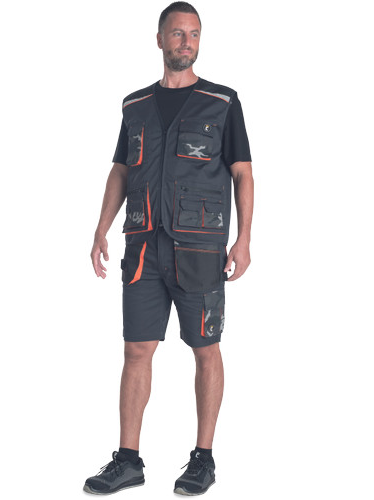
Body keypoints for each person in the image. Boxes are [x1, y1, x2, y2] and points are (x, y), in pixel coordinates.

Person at [85, 1, 254, 496]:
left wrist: (244, 238)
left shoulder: (223, 102)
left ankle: (203, 459)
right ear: (159, 39)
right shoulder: (134, 106)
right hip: (142, 246)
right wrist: (100, 228)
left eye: (194, 34)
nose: (186, 42)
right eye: (178, 33)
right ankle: (128, 460)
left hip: (199, 248)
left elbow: (243, 173)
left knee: (205, 348)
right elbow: (121, 170)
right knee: (136, 348)